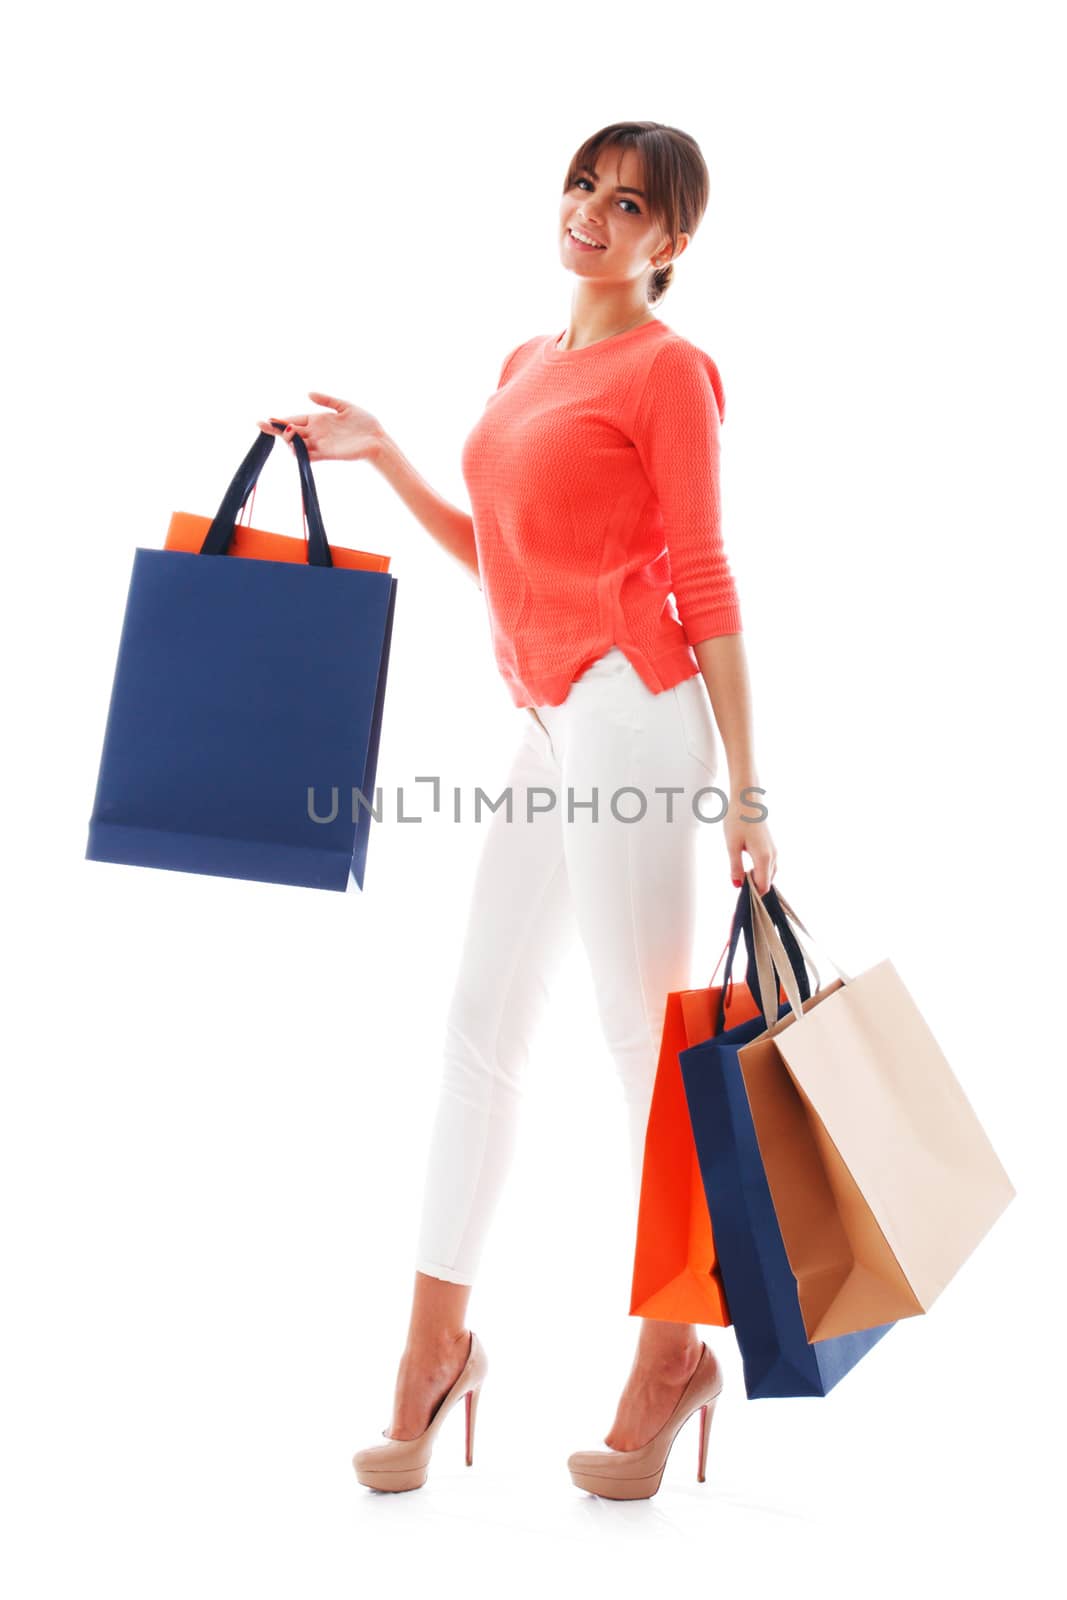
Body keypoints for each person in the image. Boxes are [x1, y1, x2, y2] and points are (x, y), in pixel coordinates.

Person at [259, 119, 776, 1499]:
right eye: (583, 186)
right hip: (551, 721)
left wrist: (749, 785)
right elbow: (505, 560)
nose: (594, 213)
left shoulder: (674, 373)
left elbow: (708, 579)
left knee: (644, 1047)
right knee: (480, 1024)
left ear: (673, 246)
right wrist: (386, 456)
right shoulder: (524, 366)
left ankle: (671, 1356)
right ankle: (434, 1357)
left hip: (636, 715)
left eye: (631, 204)